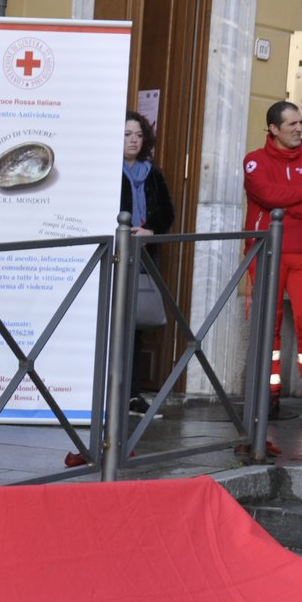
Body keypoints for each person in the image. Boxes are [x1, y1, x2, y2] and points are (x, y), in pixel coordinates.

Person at [244, 100, 302, 418]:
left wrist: (287, 204)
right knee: (268, 324)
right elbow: (265, 194)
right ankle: (268, 393)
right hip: (267, 251)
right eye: (292, 124)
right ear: (273, 129)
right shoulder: (254, 161)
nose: (299, 128)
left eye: (300, 123)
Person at [119, 110, 175, 410]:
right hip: (113, 256)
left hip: (143, 259)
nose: (134, 140)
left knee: (135, 326)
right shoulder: (107, 171)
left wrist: (150, 227)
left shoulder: (152, 173)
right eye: (127, 134)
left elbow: (167, 211)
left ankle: (132, 392)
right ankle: (104, 388)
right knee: (110, 324)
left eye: (139, 135)